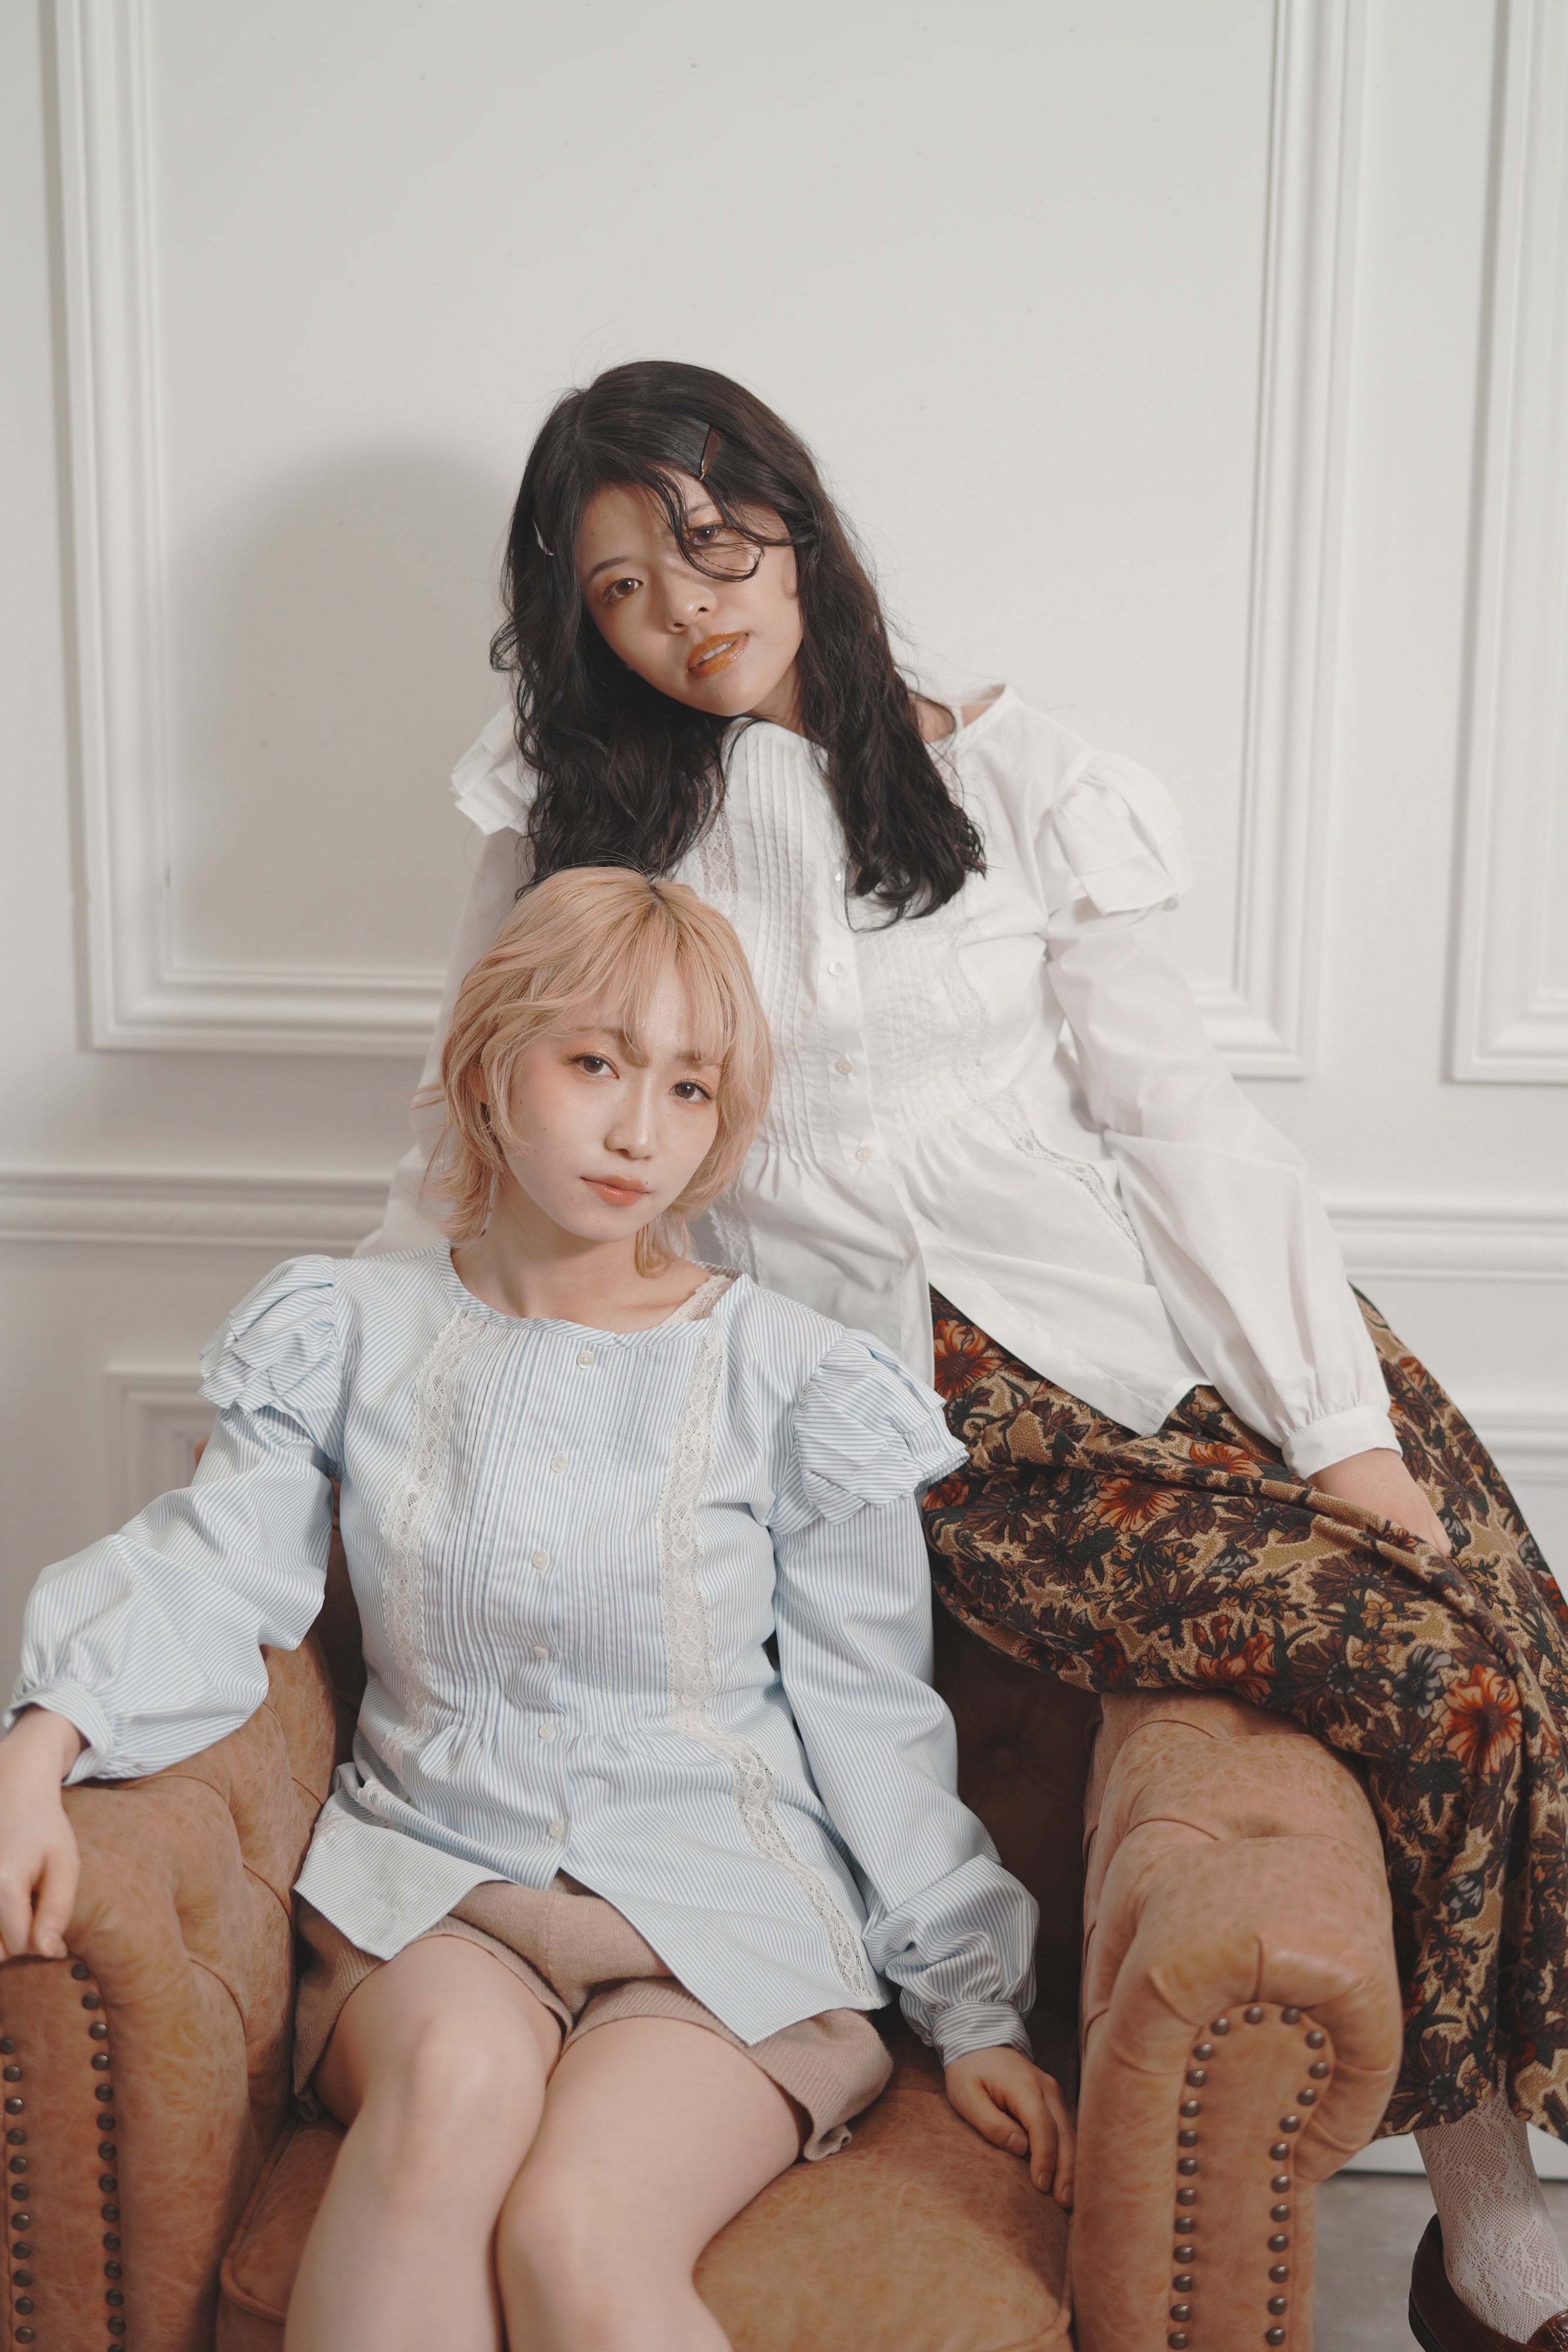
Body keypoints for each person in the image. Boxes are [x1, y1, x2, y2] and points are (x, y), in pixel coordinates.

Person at [364, 359, 1568, 2352]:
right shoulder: (572, 824)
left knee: (1511, 1631)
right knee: (1415, 1672)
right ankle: (1497, 2239)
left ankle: (1484, 2226)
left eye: (710, 543)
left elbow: (1176, 1120)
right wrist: (371, 1370)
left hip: (1171, 1320)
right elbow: (466, 1117)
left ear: (794, 519)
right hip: (934, 1412)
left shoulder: (1016, 779)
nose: (684, 611)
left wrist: (1329, 1421)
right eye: (619, 590)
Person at [0, 868, 1068, 2352]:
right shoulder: (346, 1326)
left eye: (688, 1087)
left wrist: (974, 2009)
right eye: (595, 1063)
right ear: (491, 1065)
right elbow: (211, 1561)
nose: (641, 1131)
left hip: (721, 1912)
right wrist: (38, 1751)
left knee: (576, 2230)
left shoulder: (797, 1378)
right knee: (449, 2098)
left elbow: (871, 1713)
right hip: (435, 1888)